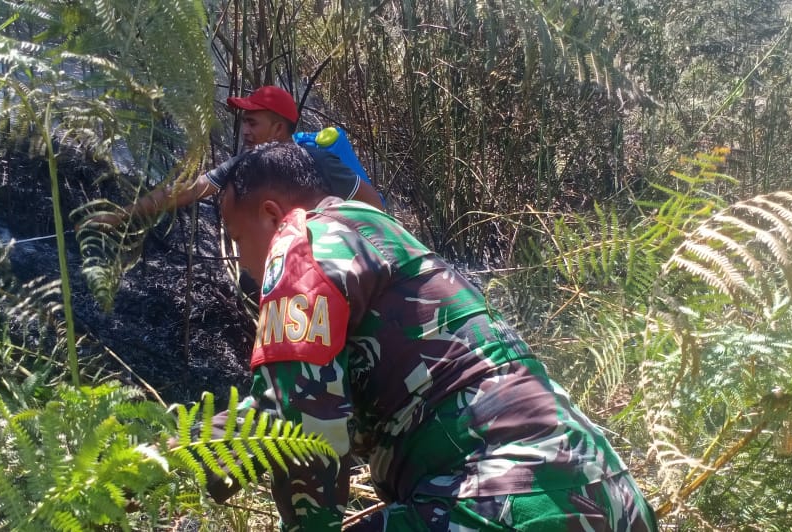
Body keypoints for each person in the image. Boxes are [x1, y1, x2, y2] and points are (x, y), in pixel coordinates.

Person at [214, 141, 657, 531]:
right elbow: (298, 399)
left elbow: (303, 421)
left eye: (237, 239)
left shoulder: (300, 248)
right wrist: (196, 450)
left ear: (271, 215)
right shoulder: (377, 233)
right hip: (610, 495)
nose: (240, 260)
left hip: (504, 501)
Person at [91, 85, 382, 228]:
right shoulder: (247, 163)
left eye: (253, 123)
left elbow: (374, 209)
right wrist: (119, 216)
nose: (245, 130)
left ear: (279, 127)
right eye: (244, 122)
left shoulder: (319, 162)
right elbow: (186, 191)